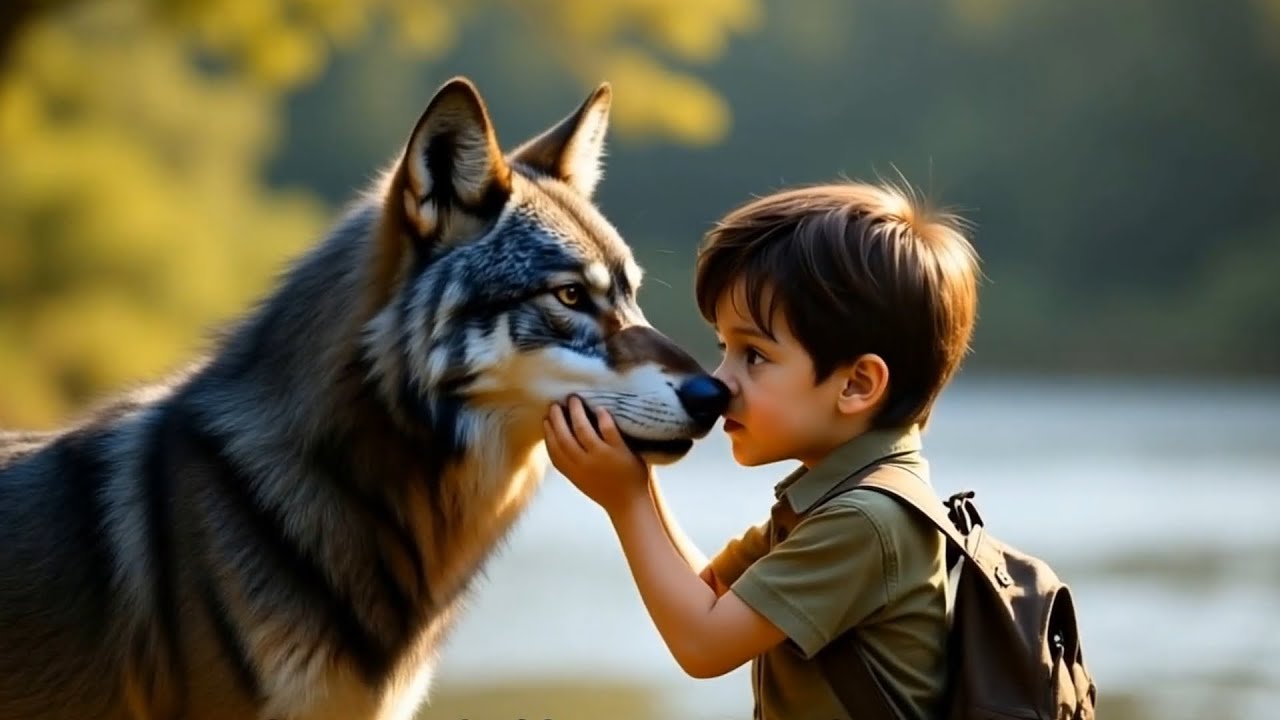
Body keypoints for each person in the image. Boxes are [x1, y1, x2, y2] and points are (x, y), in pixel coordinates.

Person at [543, 179, 980, 719]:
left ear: (857, 384)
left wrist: (625, 500)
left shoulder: (866, 521)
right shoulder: (835, 496)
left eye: (754, 355)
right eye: (724, 347)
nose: (720, 381)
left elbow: (703, 644)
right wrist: (641, 475)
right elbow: (710, 594)